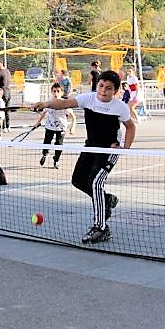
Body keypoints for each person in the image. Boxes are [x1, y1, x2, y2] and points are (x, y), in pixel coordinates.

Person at [33, 70, 136, 244]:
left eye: (109, 88)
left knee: (96, 183)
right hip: (91, 146)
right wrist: (45, 104)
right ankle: (107, 199)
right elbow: (64, 103)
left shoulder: (120, 107)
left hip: (109, 150)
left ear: (116, 91)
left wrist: (124, 148)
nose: (103, 90)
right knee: (78, 180)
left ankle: (101, 228)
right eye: (101, 86)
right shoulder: (88, 99)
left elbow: (130, 127)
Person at [34, 83, 76, 168]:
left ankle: (56, 160)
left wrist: (73, 127)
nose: (56, 93)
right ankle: (45, 154)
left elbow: (73, 117)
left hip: (61, 128)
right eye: (54, 91)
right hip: (49, 127)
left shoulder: (65, 104)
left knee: (59, 145)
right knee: (46, 143)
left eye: (58, 91)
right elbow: (43, 113)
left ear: (62, 92)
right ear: (51, 92)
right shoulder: (49, 103)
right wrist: (38, 122)